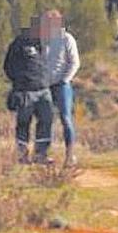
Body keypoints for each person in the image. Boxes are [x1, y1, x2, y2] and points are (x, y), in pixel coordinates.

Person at [4, 15, 54, 164]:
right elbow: (8, 66)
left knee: (46, 122)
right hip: (26, 91)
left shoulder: (45, 44)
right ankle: (22, 156)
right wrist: (20, 82)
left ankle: (41, 155)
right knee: (24, 124)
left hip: (44, 90)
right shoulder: (20, 43)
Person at [43, 9, 81, 166]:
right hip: (46, 85)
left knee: (65, 118)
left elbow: (75, 62)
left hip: (62, 86)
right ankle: (43, 154)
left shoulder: (67, 39)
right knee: (45, 120)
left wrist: (65, 80)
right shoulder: (45, 40)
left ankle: (70, 155)